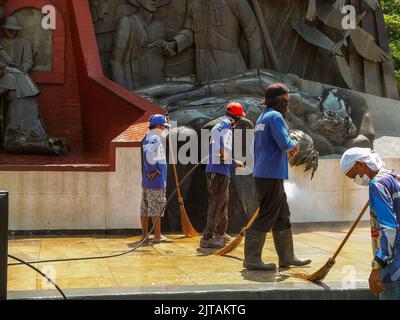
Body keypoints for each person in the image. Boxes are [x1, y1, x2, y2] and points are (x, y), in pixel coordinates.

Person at [244, 83, 311, 270]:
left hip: (265, 174)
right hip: (270, 175)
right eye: (287, 101)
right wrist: (295, 143)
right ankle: (251, 259)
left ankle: (287, 258)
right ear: (279, 101)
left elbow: (272, 145)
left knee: (282, 215)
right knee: (267, 215)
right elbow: (284, 142)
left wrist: (286, 147)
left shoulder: (262, 118)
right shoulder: (275, 116)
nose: (288, 105)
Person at [340, 148, 400, 300]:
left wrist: (378, 265)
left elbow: (390, 229)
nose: (357, 180)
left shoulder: (377, 184)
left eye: (354, 175)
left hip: (394, 264)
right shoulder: (393, 176)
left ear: (360, 165)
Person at [163, 0, 264, 82]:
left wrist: (256, 70)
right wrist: (175, 44)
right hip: (203, 73)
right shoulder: (195, 4)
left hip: (231, 72)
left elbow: (253, 31)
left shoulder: (235, 2)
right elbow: (190, 31)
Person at [200, 102, 246, 249]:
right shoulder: (226, 123)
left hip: (223, 170)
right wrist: (220, 151)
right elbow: (214, 132)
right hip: (216, 172)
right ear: (237, 117)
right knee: (216, 202)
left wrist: (234, 163)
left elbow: (224, 156)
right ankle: (208, 236)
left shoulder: (228, 130)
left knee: (222, 202)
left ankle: (220, 232)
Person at [111, 0, 168, 90]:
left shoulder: (159, 26)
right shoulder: (128, 23)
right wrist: (123, 93)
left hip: (157, 89)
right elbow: (115, 61)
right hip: (133, 87)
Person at [141, 114, 172, 243]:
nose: (165, 129)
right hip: (155, 180)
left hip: (146, 181)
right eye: (164, 127)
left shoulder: (147, 137)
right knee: (156, 208)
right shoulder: (155, 138)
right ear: (158, 126)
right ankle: (158, 236)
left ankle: (144, 234)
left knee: (145, 207)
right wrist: (154, 170)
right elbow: (148, 153)